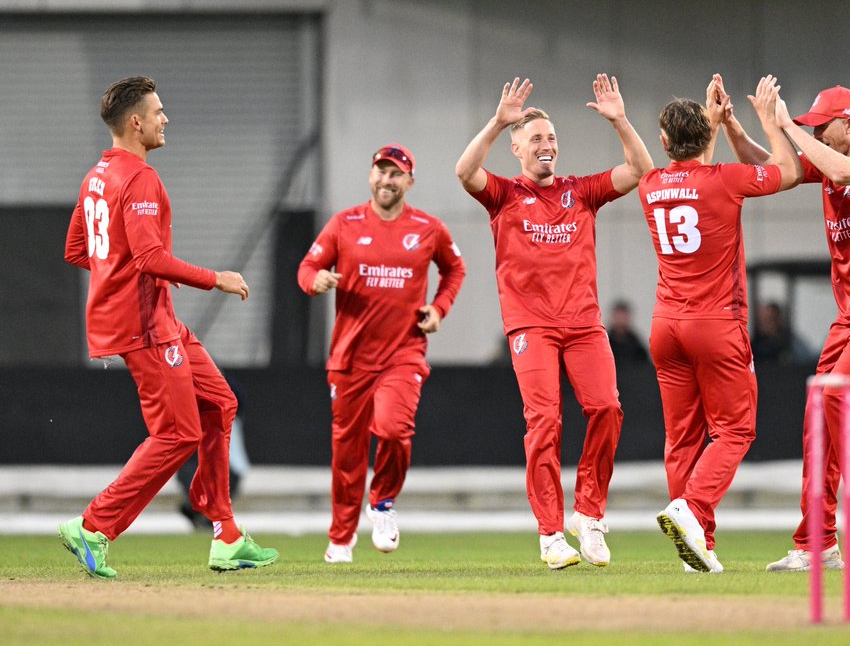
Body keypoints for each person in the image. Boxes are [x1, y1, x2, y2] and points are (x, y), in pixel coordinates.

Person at [59, 76, 278, 578]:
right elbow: (150, 257)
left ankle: (224, 532)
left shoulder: (97, 175)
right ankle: (94, 527)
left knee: (221, 403)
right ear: (135, 123)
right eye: (158, 111)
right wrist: (215, 278)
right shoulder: (139, 179)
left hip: (158, 319)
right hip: (145, 326)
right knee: (178, 434)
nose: (166, 118)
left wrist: (116, 278)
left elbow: (78, 250)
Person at [718, 79, 850, 572]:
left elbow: (846, 167)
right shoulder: (828, 158)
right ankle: (817, 543)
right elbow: (772, 165)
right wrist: (735, 126)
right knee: (819, 417)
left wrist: (788, 125)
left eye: (822, 125)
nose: (817, 133)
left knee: (840, 395)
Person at [454, 74, 653, 569]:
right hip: (532, 327)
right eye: (537, 139)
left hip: (584, 325)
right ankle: (550, 534)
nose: (547, 146)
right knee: (544, 421)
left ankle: (588, 514)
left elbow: (642, 169)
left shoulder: (580, 191)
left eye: (552, 139)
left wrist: (620, 120)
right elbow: (464, 171)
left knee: (606, 407)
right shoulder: (503, 195)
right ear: (518, 148)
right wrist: (498, 124)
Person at [648, 76, 799, 573]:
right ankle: (691, 509)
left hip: (665, 326)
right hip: (715, 324)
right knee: (735, 429)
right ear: (707, 138)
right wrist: (762, 120)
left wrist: (712, 127)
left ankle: (699, 549)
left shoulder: (651, 185)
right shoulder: (725, 180)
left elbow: (687, 165)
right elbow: (788, 170)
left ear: (665, 142)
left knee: (682, 438)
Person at [298, 143, 465, 564]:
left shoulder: (428, 228)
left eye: (396, 174)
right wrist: (314, 279)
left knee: (392, 429)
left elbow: (454, 269)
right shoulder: (344, 224)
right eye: (381, 172)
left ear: (409, 181)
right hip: (350, 359)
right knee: (347, 455)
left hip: (403, 354)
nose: (387, 180)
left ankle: (383, 503)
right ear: (371, 176)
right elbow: (306, 268)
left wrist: (439, 308)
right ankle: (340, 538)